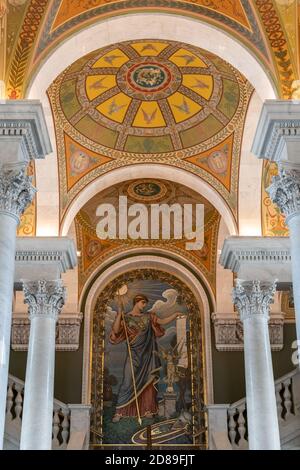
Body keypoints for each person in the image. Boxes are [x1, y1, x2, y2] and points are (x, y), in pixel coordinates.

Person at [109, 293, 181, 422]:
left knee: (147, 383)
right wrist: (119, 313)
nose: (144, 305)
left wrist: (175, 315)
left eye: (146, 303)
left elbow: (162, 322)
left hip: (147, 356)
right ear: (137, 302)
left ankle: (147, 409)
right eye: (143, 303)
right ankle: (120, 411)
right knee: (127, 382)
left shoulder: (149, 317)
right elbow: (115, 331)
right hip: (133, 355)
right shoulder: (126, 318)